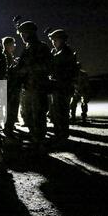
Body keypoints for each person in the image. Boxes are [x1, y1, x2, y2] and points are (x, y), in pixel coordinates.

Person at [16, 21, 52, 151]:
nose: (22, 36)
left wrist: (29, 69)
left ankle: (39, 141)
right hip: (28, 87)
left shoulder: (41, 47)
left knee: (38, 115)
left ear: (30, 32)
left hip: (38, 87)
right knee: (28, 115)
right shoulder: (27, 48)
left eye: (23, 33)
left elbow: (48, 67)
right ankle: (35, 139)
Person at [48, 29, 78, 142]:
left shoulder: (65, 53)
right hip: (58, 87)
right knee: (57, 112)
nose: (53, 42)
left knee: (62, 113)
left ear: (62, 40)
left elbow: (55, 66)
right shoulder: (57, 51)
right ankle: (60, 134)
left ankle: (62, 136)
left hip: (63, 87)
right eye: (52, 40)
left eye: (55, 40)